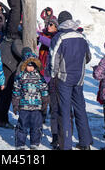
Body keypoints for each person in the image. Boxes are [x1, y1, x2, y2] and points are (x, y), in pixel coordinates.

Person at [48, 11, 93, 150]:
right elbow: (88, 57)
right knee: (80, 109)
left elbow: (53, 59)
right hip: (78, 78)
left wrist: (53, 75)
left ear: (60, 22)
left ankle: (65, 145)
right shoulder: (81, 37)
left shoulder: (59, 37)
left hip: (64, 78)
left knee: (65, 111)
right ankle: (85, 143)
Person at [12, 50, 49, 150]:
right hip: (24, 106)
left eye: (32, 65)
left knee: (36, 126)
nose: (31, 68)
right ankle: (20, 143)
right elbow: (16, 91)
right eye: (28, 65)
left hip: (37, 107)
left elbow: (44, 89)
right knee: (22, 125)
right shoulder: (20, 77)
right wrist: (15, 104)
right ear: (24, 65)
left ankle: (35, 142)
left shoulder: (39, 77)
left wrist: (45, 102)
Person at [37, 17, 59, 148]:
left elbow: (52, 44)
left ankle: (54, 132)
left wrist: (40, 38)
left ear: (56, 26)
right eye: (48, 24)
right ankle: (40, 121)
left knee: (52, 101)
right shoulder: (43, 34)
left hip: (51, 72)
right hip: (42, 69)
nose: (49, 26)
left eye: (51, 24)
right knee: (42, 99)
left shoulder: (57, 36)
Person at [0, 38, 24, 129]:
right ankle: (2, 119)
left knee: (3, 94)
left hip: (7, 63)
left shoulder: (8, 37)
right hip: (9, 65)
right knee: (5, 94)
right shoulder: (15, 37)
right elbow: (17, 48)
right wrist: (27, 55)